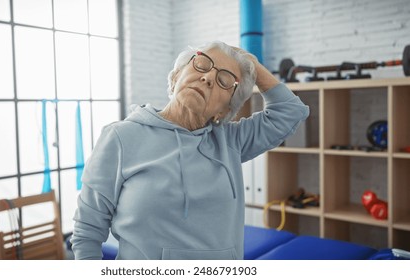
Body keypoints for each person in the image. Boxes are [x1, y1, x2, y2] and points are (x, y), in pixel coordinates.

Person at [71, 40, 309, 260]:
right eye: (202, 64)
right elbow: (87, 233)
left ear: (225, 111)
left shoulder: (231, 141)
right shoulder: (120, 137)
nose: (207, 78)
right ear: (175, 77)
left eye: (224, 80)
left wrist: (252, 64)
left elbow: (290, 112)